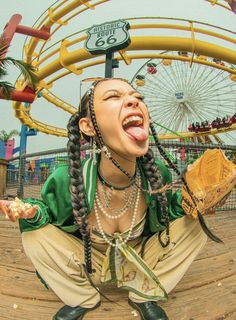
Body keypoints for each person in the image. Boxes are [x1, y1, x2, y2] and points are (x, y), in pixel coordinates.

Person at [0, 78, 235, 320]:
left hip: (140, 257)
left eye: (138, 97)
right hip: (90, 259)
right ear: (88, 126)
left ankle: (144, 295)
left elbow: (170, 212)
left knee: (195, 225)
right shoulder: (68, 179)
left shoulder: (157, 175)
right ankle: (82, 298)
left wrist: (194, 202)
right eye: (114, 97)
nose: (134, 100)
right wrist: (31, 212)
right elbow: (47, 212)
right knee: (34, 235)